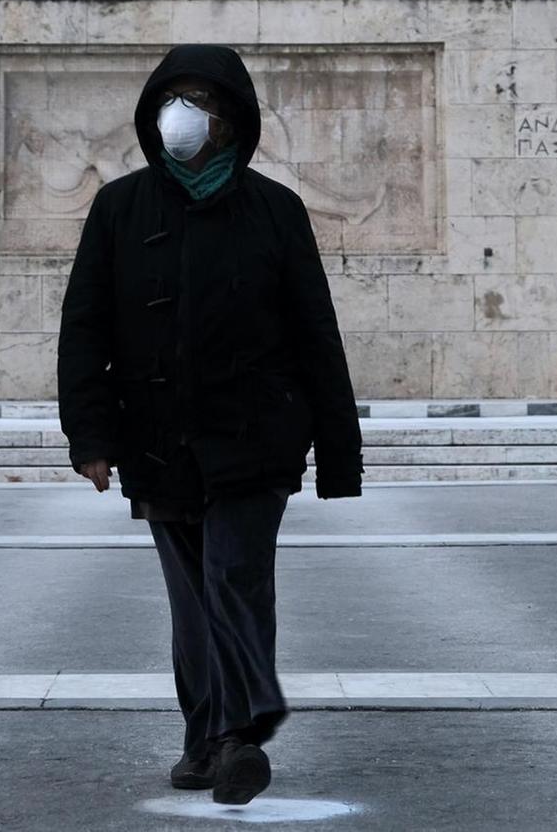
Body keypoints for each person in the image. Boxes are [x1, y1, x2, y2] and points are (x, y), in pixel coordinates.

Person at [57, 45, 364, 807]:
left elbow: (315, 333)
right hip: (158, 441)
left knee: (233, 579)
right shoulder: (121, 208)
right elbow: (85, 328)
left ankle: (238, 740)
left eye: (200, 99)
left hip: (255, 440)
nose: (183, 114)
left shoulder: (274, 210)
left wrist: (337, 455)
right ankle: (202, 739)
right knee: (192, 600)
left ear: (233, 120)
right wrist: (91, 439)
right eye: (174, 96)